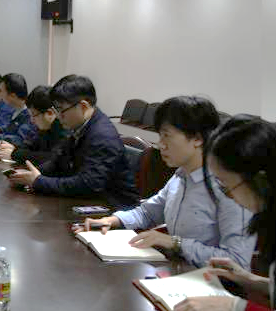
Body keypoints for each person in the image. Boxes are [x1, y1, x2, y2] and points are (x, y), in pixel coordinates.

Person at [76, 96, 255, 268]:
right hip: (178, 270)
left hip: (211, 281)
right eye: (160, 136)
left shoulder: (228, 187)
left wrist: (176, 243)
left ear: (197, 139)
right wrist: (113, 220)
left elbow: (237, 261)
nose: (160, 144)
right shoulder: (181, 176)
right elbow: (147, 213)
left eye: (167, 136)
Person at [173, 117, 276, 311]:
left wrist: (232, 306)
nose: (228, 196)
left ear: (261, 181)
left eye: (227, 186)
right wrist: (251, 281)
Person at [8, 74, 139, 208]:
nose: (58, 116)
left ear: (83, 106)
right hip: (90, 202)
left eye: (61, 110)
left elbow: (89, 184)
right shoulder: (82, 125)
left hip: (114, 207)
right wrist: (30, 175)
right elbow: (58, 161)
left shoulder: (102, 136)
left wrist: (39, 181)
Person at [0, 85, 69, 167]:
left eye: (34, 115)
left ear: (50, 113)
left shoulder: (65, 128)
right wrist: (13, 148)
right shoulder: (45, 127)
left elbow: (53, 157)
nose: (32, 120)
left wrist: (14, 154)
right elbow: (32, 146)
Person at [0, 73, 37, 149]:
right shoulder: (14, 108)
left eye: (1, 91)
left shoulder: (30, 114)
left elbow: (20, 139)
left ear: (12, 95)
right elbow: (11, 127)